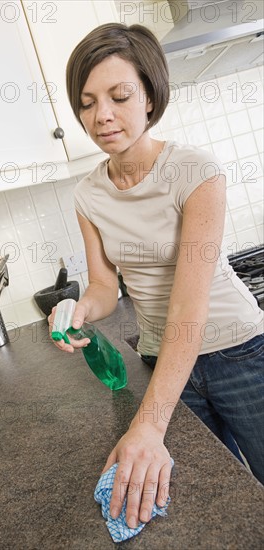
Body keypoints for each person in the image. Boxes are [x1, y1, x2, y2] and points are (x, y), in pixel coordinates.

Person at [48, 22, 264, 529]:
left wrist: (148, 423)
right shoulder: (87, 195)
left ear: (149, 96)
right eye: (87, 102)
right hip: (163, 363)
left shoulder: (195, 173)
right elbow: (105, 286)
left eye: (119, 96)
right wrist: (78, 309)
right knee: (213, 503)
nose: (102, 115)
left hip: (240, 354)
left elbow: (190, 307)